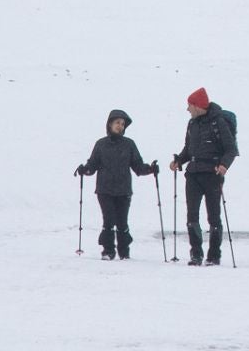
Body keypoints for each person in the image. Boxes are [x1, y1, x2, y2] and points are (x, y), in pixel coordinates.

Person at [74, 108, 159, 260]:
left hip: (123, 190)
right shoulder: (101, 144)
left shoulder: (129, 144)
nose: (120, 126)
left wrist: (150, 169)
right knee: (108, 220)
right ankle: (108, 251)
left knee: (122, 222)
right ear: (110, 124)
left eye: (123, 124)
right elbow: (92, 165)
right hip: (104, 189)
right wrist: (84, 170)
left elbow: (138, 166)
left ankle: (124, 251)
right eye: (117, 123)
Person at [169, 86, 238, 266]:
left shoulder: (218, 123)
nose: (188, 109)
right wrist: (179, 161)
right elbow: (188, 149)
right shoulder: (192, 124)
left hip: (212, 174)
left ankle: (214, 255)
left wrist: (223, 166)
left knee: (213, 216)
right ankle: (196, 254)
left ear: (198, 106)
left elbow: (231, 149)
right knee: (192, 215)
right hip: (193, 174)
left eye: (189, 105)